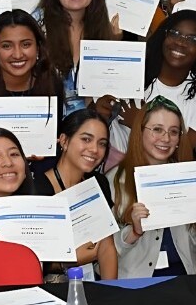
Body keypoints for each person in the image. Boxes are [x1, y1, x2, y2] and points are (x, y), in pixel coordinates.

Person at [109, 98, 196, 277]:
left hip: (184, 280)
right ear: (140, 131)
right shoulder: (115, 180)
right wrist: (133, 232)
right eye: (157, 129)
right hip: (136, 283)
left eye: (173, 132)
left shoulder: (189, 177)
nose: (165, 138)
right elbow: (104, 254)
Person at [31, 109, 119, 280]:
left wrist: (111, 291)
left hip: (90, 283)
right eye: (86, 139)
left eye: (102, 143)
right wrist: (67, 262)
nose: (94, 149)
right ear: (64, 141)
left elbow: (107, 247)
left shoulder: (99, 182)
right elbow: (29, 260)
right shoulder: (37, 190)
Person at [37, 0, 125, 117]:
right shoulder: (36, 28)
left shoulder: (106, 29)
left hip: (93, 124)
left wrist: (114, 45)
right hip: (46, 123)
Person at [144, 11, 196, 156]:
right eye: (175, 33)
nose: (180, 42)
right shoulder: (136, 77)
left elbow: (184, 154)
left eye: (193, 39)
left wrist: (137, 123)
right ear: (164, 36)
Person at [0, 9, 66, 113]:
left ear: (38, 47)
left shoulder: (52, 84)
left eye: (26, 44)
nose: (18, 55)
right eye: (7, 46)